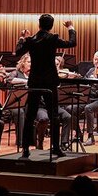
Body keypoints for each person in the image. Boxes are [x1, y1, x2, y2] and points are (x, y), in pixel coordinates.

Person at [15, 14, 77, 158]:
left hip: (35, 81)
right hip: (49, 82)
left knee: (30, 115)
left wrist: (22, 38)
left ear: (39, 25)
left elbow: (18, 52)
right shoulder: (52, 38)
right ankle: (55, 147)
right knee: (54, 115)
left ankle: (25, 149)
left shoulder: (31, 40)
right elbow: (72, 43)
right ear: (51, 26)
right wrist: (71, 28)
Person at [7, 53, 72, 150]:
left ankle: (63, 143)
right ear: (23, 63)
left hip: (50, 104)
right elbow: (10, 79)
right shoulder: (18, 73)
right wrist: (28, 81)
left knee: (67, 116)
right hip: (38, 105)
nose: (32, 64)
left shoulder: (38, 73)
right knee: (43, 119)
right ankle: (40, 141)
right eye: (29, 62)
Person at [67, 51, 98, 146]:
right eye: (95, 59)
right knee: (70, 109)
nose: (96, 61)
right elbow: (84, 82)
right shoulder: (91, 70)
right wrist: (75, 78)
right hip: (88, 99)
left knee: (88, 108)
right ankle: (78, 133)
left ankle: (91, 136)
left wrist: (95, 81)